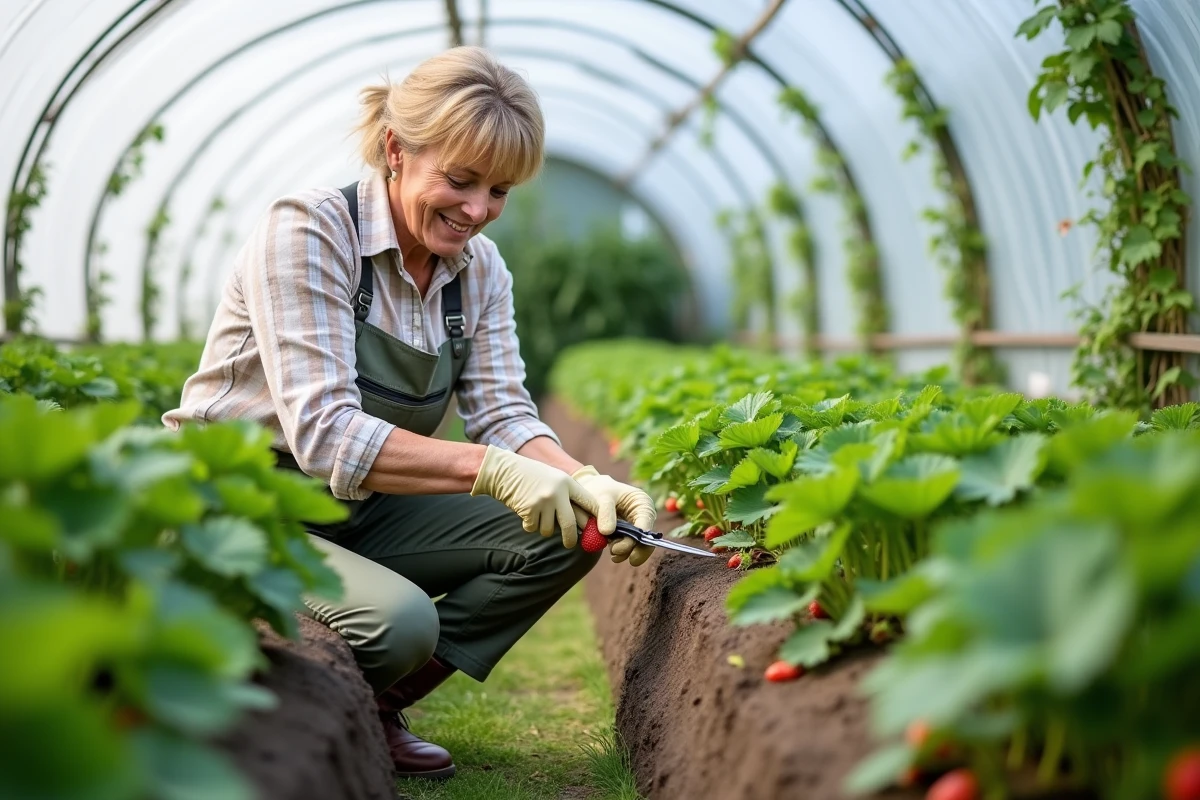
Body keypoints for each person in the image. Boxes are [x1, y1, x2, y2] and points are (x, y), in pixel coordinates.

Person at [163, 46, 657, 780]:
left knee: (571, 530)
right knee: (399, 624)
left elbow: (501, 408)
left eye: (499, 191)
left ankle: (375, 707)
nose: (478, 211)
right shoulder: (308, 233)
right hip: (242, 504)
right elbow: (327, 436)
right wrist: (493, 473)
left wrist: (581, 476)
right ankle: (342, 689)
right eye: (460, 180)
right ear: (396, 149)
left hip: (361, 508)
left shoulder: (480, 271)